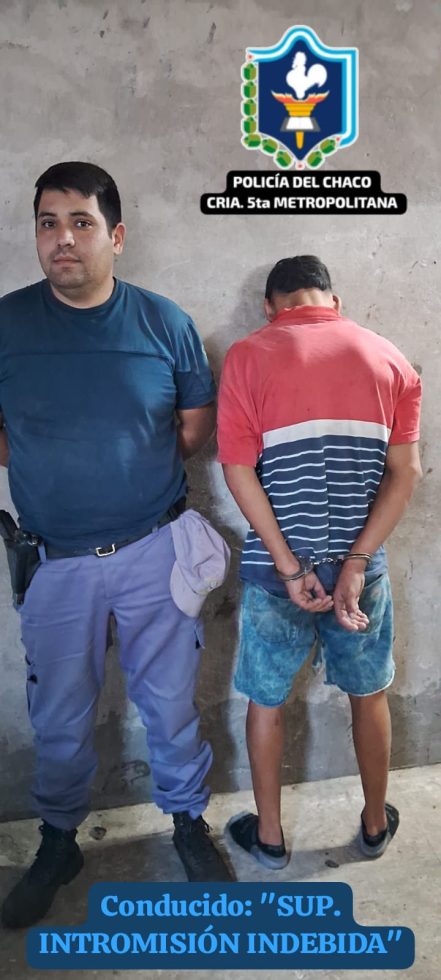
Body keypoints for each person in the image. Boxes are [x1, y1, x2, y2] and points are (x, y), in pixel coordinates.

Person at [0, 161, 233, 929]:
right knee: (59, 716)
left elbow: (192, 428)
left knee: (169, 705)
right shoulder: (7, 324)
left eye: (81, 222)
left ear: (117, 236)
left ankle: (187, 824)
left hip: (152, 552)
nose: (62, 239)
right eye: (48, 223)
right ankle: (58, 841)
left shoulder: (163, 323)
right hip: (55, 563)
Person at [217, 255, 422, 870]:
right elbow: (405, 473)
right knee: (369, 692)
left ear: (270, 306)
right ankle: (374, 825)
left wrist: (287, 564)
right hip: (362, 570)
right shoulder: (389, 358)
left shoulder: (247, 357)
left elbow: (237, 470)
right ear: (333, 300)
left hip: (277, 572)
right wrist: (356, 562)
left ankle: (271, 840)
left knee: (266, 699)